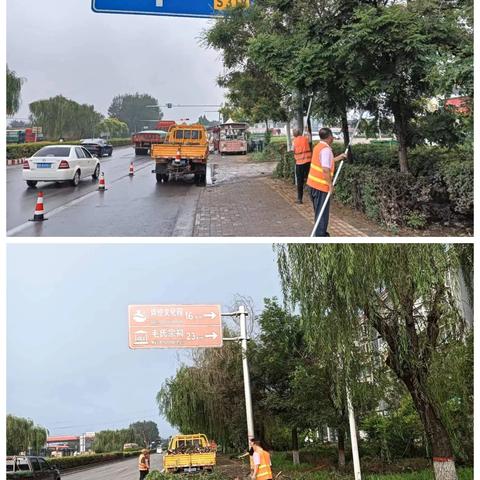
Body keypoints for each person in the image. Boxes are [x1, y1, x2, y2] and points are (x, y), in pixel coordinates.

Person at [306, 127, 347, 236]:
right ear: (329, 137)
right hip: (321, 187)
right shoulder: (326, 150)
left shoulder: (318, 147)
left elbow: (326, 163)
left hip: (312, 185)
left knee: (318, 212)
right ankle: (321, 236)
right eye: (332, 136)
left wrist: (339, 157)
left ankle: (320, 233)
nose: (333, 138)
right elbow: (325, 169)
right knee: (322, 213)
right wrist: (330, 185)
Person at [292, 128, 312, 204]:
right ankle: (312, 197)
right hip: (307, 162)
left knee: (300, 182)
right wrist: (307, 132)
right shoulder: (305, 139)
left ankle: (299, 199)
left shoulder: (294, 141)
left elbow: (293, 150)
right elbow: (310, 139)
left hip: (299, 164)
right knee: (309, 180)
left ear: (294, 135)